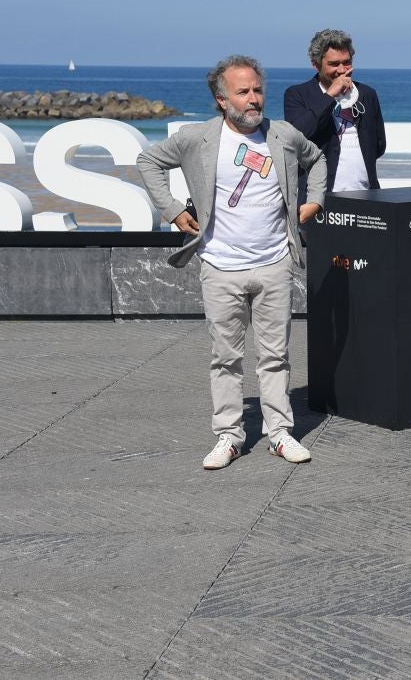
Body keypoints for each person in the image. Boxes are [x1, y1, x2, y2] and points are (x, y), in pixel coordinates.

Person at [137, 55, 326, 470]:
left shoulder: (283, 135)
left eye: (258, 89)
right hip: (220, 266)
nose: (254, 98)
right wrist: (171, 209)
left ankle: (279, 434)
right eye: (243, 92)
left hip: (275, 262)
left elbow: (317, 159)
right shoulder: (196, 138)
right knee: (226, 358)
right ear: (222, 100)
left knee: (275, 356)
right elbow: (148, 162)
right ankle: (229, 436)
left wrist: (314, 202)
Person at [283, 29, 386, 194]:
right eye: (333, 64)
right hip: (318, 200)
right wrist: (330, 95)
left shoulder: (367, 94)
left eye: (347, 62)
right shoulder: (298, 94)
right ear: (316, 64)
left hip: (367, 196)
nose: (341, 70)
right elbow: (297, 136)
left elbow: (379, 145)